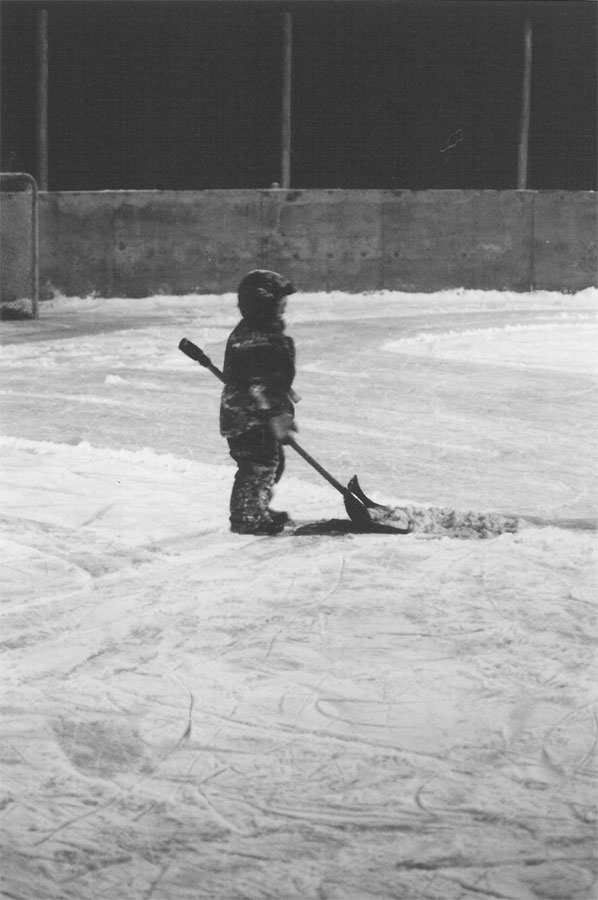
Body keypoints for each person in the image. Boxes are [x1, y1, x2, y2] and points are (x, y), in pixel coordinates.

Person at [220, 270, 298, 534]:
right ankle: (246, 516)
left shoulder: (265, 333)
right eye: (280, 303)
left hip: (262, 414)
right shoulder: (253, 341)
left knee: (272, 463)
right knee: (258, 465)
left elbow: (273, 376)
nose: (284, 307)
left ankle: (257, 505)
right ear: (263, 305)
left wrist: (285, 403)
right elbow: (257, 385)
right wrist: (275, 414)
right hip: (248, 417)